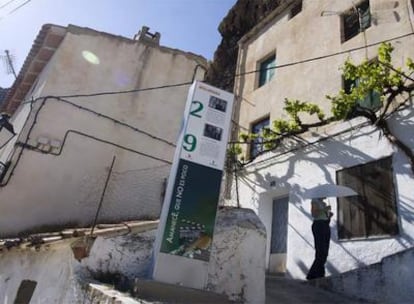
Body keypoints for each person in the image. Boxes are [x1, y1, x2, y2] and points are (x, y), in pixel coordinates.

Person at [306, 197, 333, 280]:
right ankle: (313, 274)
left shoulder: (324, 204)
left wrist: (329, 216)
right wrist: (324, 209)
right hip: (318, 225)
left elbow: (325, 218)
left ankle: (318, 273)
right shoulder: (314, 201)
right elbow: (314, 214)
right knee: (320, 250)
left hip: (325, 225)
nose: (325, 196)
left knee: (325, 251)